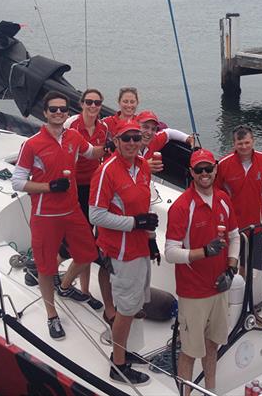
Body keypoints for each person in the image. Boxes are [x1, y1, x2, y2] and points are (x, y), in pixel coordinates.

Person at [11, 91, 104, 340]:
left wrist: (118, 145)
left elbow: (91, 153)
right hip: (45, 215)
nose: (59, 113)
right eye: (54, 109)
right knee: (46, 267)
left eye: (63, 109)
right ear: (45, 112)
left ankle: (65, 287)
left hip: (72, 210)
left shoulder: (73, 136)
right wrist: (48, 187)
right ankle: (51, 315)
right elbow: (17, 182)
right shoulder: (31, 144)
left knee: (88, 254)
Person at [89, 122, 159, 385]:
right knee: (126, 309)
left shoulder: (142, 167)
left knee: (135, 304)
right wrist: (134, 223)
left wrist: (150, 240)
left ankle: (126, 350)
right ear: (116, 142)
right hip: (121, 251)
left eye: (136, 138)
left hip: (140, 247)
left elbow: (144, 207)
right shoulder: (105, 172)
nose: (132, 142)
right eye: (126, 138)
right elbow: (95, 215)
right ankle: (118, 364)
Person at [165, 149, 240, 396]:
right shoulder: (182, 207)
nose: (205, 174)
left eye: (208, 169)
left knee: (213, 344)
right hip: (193, 292)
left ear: (215, 170)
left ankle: (211, 390)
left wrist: (231, 268)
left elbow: (234, 237)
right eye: (199, 170)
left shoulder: (223, 200)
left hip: (219, 288)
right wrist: (204, 252)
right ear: (191, 173)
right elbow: (171, 252)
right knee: (189, 352)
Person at [62, 88, 112, 314]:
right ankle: (52, 275)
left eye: (97, 103)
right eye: (89, 102)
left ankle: (84, 290)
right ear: (81, 104)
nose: (93, 106)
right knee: (78, 241)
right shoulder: (71, 125)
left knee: (88, 237)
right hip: (74, 187)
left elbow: (99, 154)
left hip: (94, 187)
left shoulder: (104, 128)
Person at [215, 125, 262, 276]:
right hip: (231, 227)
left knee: (248, 266)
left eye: (247, 142)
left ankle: (244, 293)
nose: (244, 147)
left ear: (253, 141)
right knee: (228, 264)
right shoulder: (223, 165)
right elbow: (215, 197)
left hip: (256, 226)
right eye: (240, 143)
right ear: (234, 144)